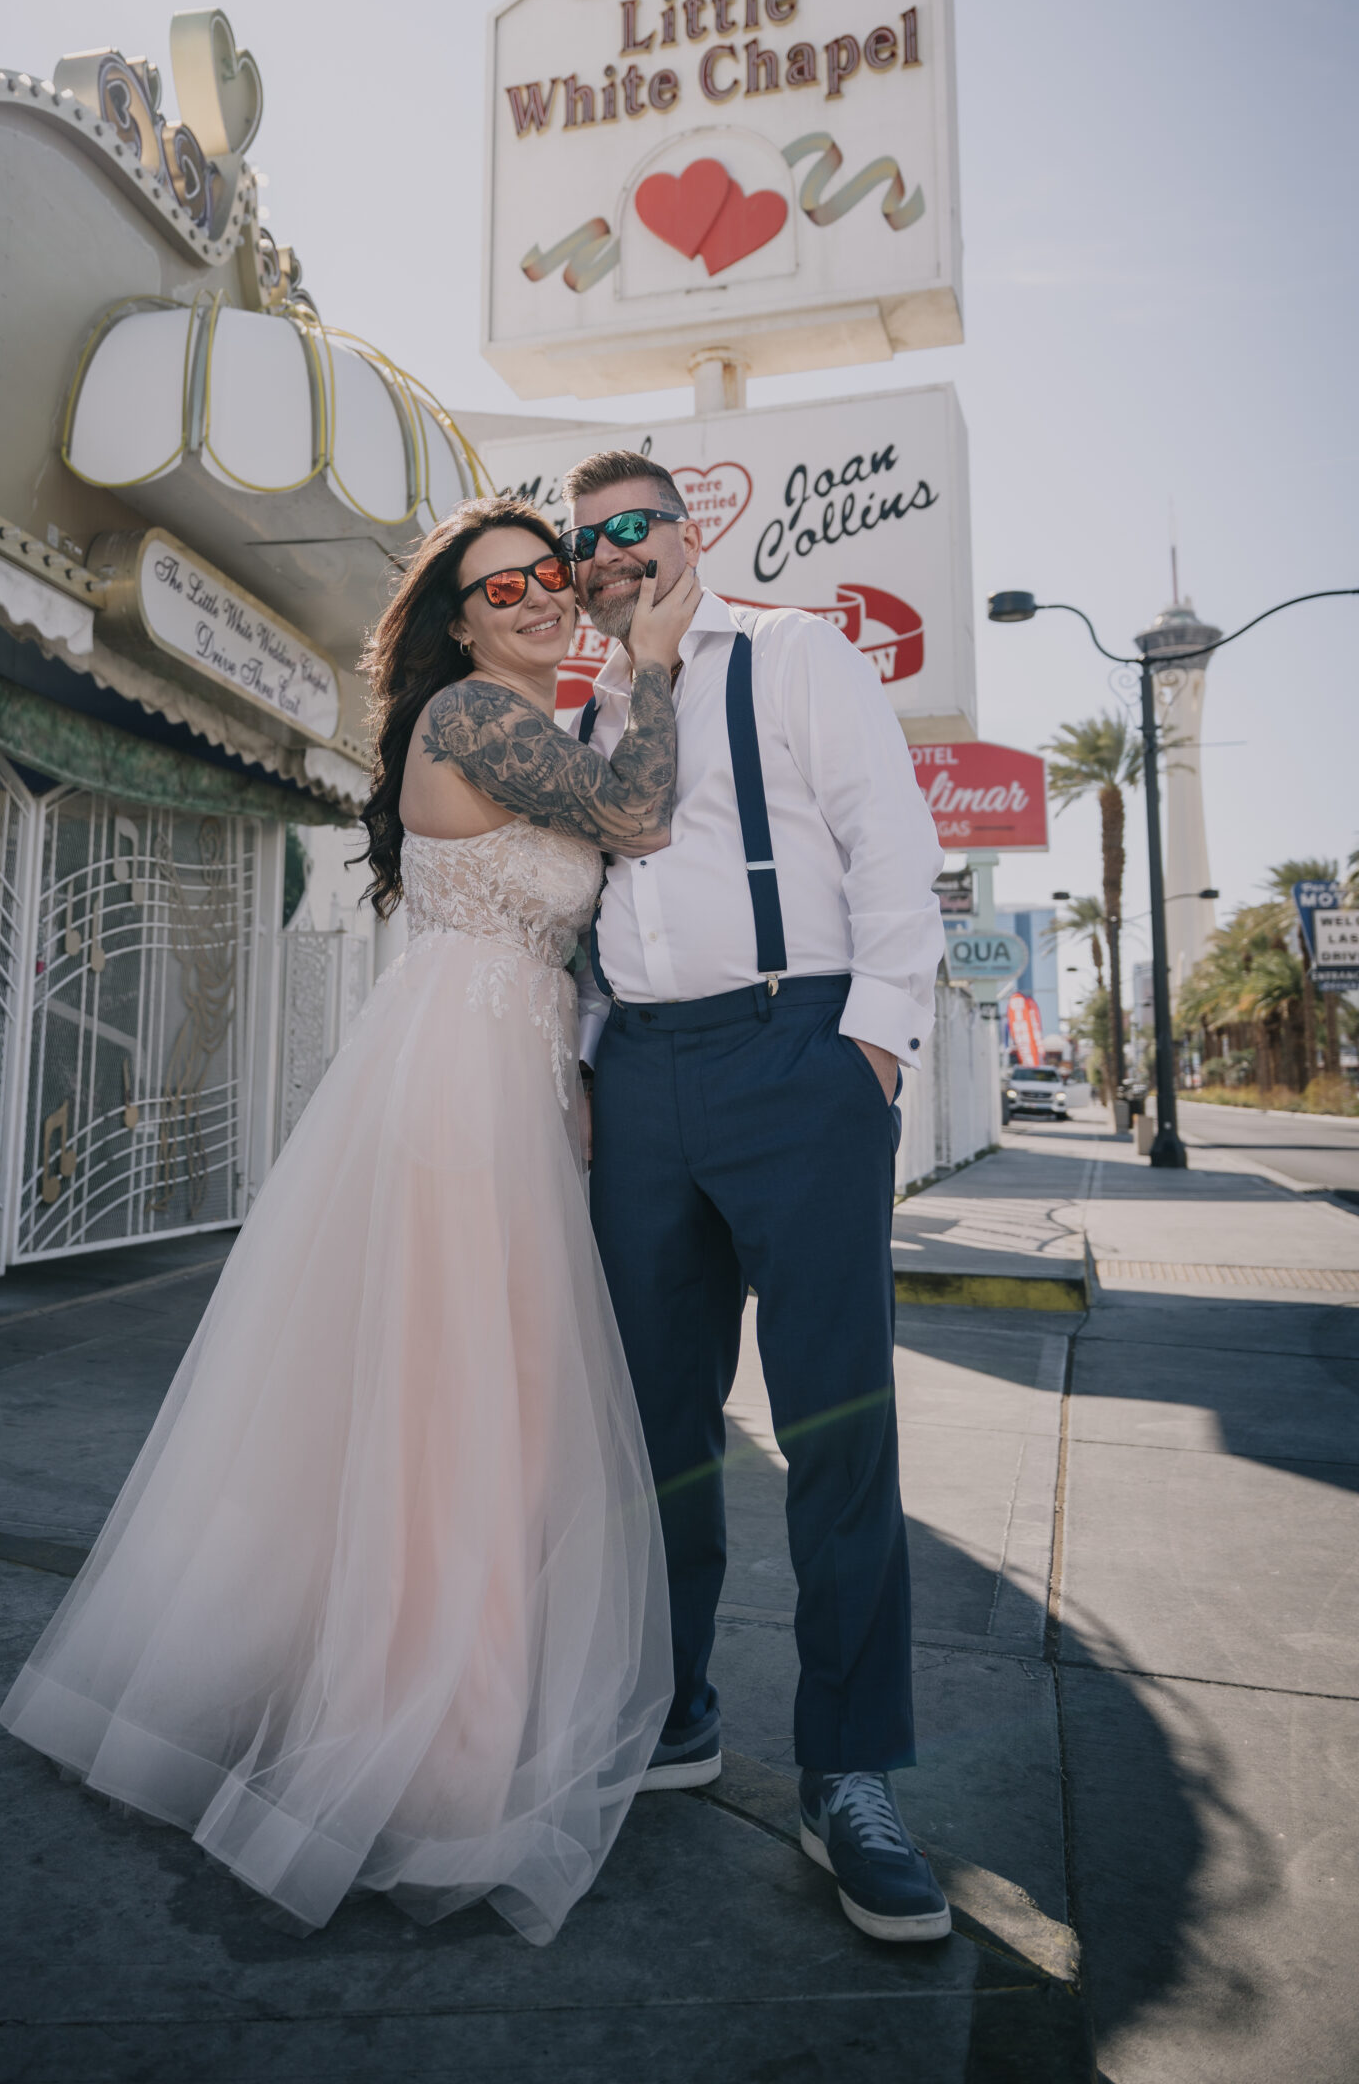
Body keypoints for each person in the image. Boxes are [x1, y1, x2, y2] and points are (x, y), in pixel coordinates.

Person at [0, 495, 697, 1945]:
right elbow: (638, 816)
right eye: (500, 586)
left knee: (474, 1394)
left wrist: (574, 1074)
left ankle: (409, 1687)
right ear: (456, 622)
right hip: (455, 1084)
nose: (536, 595)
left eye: (548, 574)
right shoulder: (471, 720)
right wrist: (657, 665)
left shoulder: (530, 727)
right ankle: (430, 1743)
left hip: (509, 1071)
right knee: (459, 1398)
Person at [562, 447, 952, 1945]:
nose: (609, 555)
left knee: (835, 1425)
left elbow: (893, 850)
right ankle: (674, 1707)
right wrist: (587, 1065)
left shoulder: (795, 653)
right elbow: (592, 910)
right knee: (656, 1423)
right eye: (585, 543)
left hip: (801, 1052)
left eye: (632, 526)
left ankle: (847, 1774)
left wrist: (873, 1053)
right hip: (641, 1076)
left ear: (688, 531)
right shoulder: (589, 712)